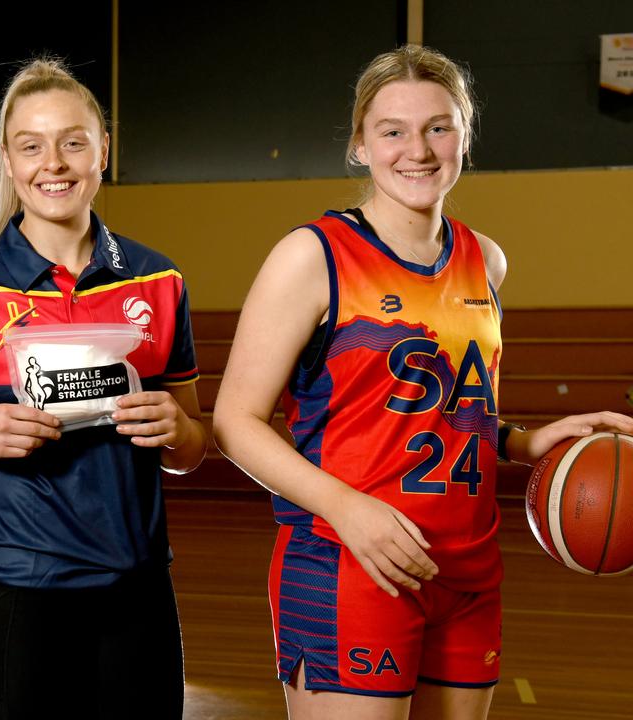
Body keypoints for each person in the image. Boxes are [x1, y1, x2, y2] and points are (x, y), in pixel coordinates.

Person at [211, 45, 633, 720]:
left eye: (439, 126)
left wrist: (525, 441)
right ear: (360, 145)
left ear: (465, 135)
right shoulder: (311, 256)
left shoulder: (485, 261)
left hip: (467, 572)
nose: (419, 149)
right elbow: (234, 422)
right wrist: (346, 510)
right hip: (351, 562)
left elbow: (438, 415)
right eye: (393, 130)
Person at [0, 59, 208, 720]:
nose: (53, 163)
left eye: (73, 141)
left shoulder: (159, 282)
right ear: (8, 161)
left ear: (103, 152)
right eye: (31, 145)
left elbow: (192, 445)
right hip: (11, 595)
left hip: (137, 595)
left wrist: (178, 432)